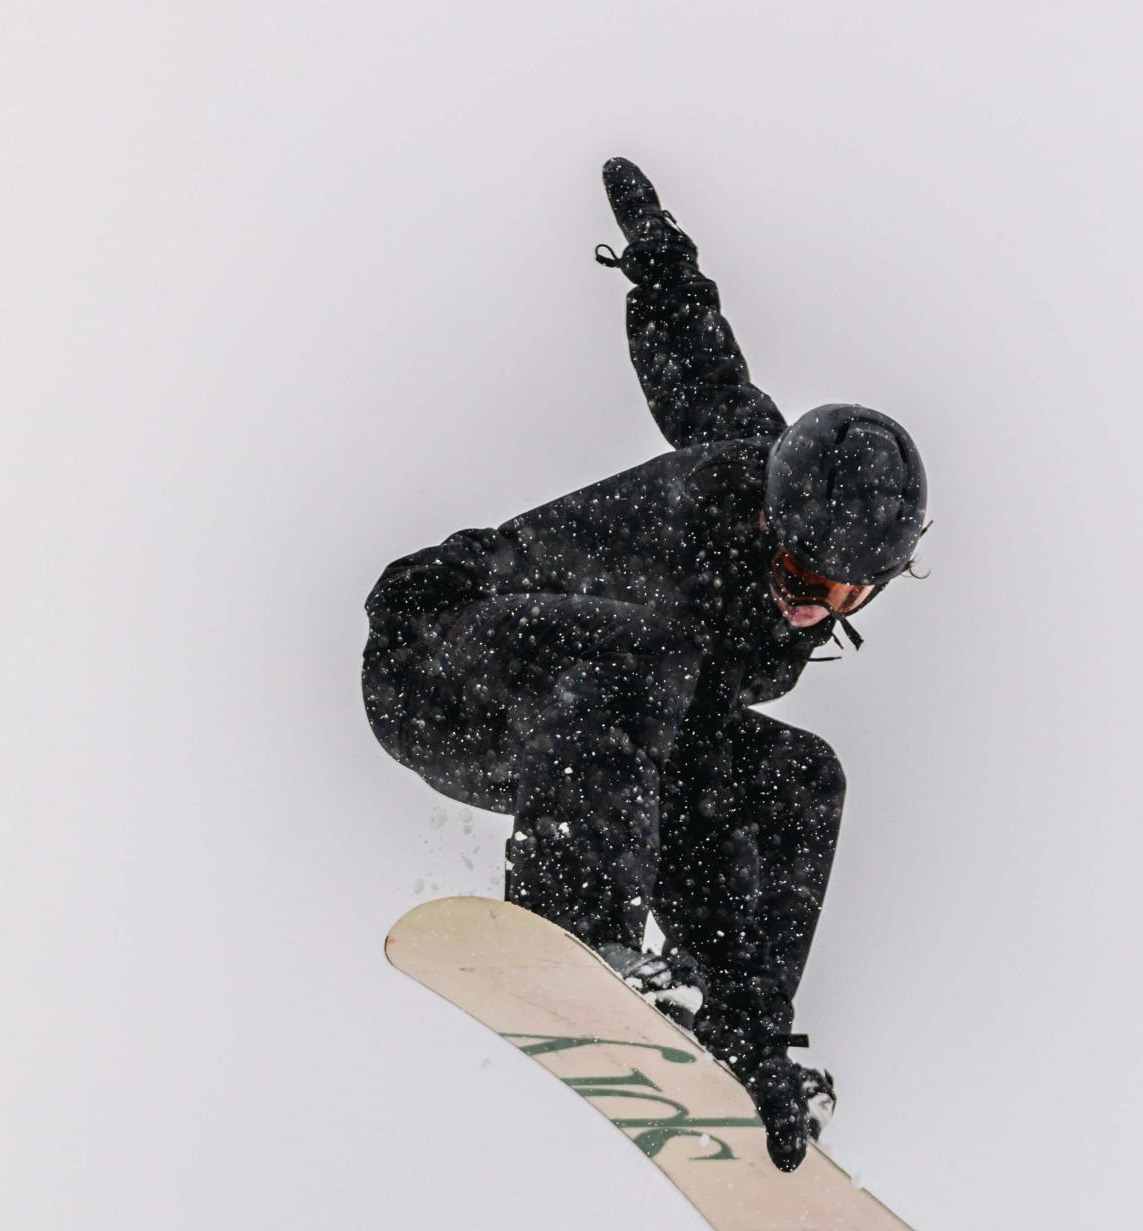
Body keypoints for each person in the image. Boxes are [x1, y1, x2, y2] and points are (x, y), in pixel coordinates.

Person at [363, 158, 926, 1171]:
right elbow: (694, 387)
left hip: (582, 746)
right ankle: (573, 920)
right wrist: (657, 260)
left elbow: (702, 360)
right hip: (442, 663)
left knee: (798, 778)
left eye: (841, 591)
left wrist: (668, 269)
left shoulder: (778, 525)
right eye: (795, 565)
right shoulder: (714, 494)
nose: (807, 599)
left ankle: (742, 1032)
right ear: (770, 513)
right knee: (653, 656)